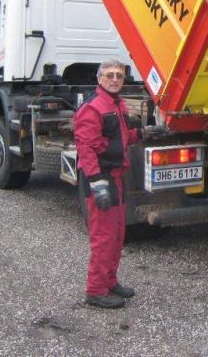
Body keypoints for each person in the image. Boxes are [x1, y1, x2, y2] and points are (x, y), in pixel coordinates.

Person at [74, 58, 166, 309]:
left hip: (116, 176)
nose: (114, 79)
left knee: (117, 234)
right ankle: (95, 290)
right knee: (103, 237)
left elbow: (123, 138)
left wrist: (145, 133)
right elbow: (86, 149)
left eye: (119, 75)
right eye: (109, 75)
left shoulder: (117, 104)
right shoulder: (92, 108)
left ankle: (110, 282)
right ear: (99, 79)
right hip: (101, 177)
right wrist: (97, 183)